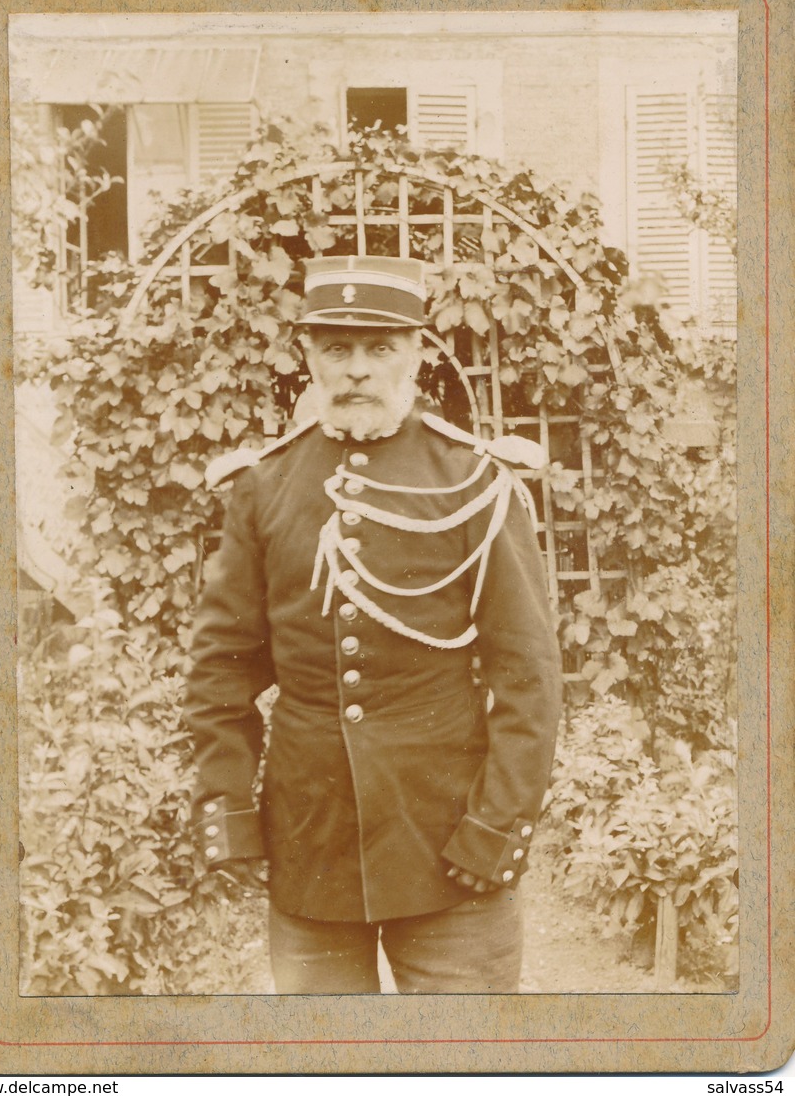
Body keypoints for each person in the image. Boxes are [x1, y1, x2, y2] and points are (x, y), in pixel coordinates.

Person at [183, 255, 562, 994]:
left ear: (417, 352)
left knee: (464, 1068)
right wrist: (229, 814)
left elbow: (529, 681)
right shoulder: (264, 486)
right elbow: (218, 673)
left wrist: (494, 830)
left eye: (379, 348)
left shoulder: (475, 483)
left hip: (450, 847)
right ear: (309, 357)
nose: (356, 369)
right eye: (336, 348)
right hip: (308, 845)